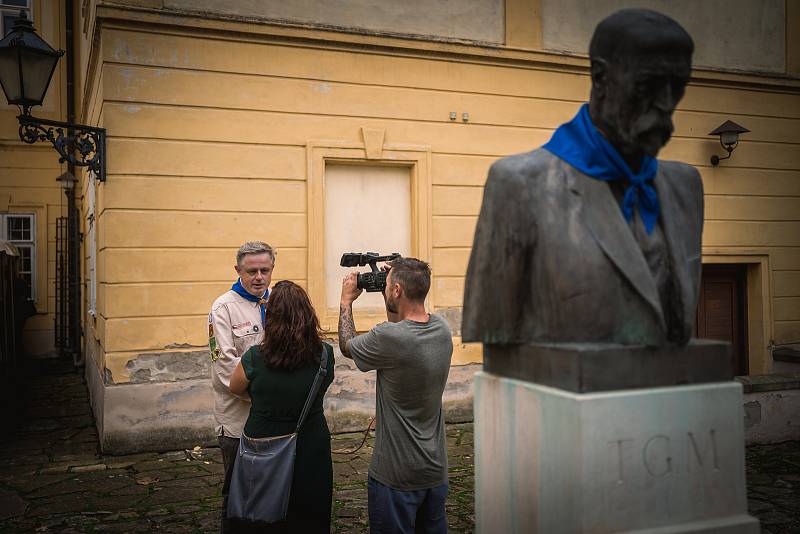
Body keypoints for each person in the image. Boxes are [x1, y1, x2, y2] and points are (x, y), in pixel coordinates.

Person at [463, 8, 702, 348]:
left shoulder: (686, 187)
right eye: (649, 84)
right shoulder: (518, 183)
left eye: (677, 86)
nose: (666, 103)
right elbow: (496, 334)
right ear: (601, 78)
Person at [339, 258, 453, 534]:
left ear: (398, 291)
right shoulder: (442, 330)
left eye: (388, 286)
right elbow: (400, 330)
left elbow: (347, 346)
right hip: (434, 471)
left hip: (395, 476)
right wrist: (389, 293)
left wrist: (345, 302)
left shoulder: (388, 337)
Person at [229, 280, 335, 533]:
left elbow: (235, 387)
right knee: (310, 509)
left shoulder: (254, 357)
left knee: (261, 509)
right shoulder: (325, 354)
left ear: (272, 316)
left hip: (264, 439)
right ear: (308, 314)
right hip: (311, 440)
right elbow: (323, 384)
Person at [209, 241, 275, 533]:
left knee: (270, 491)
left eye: (265, 270)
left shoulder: (277, 304)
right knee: (236, 494)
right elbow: (225, 367)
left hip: (273, 421)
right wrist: (268, 395)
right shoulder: (223, 308)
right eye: (252, 271)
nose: (259, 276)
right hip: (239, 421)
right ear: (238, 270)